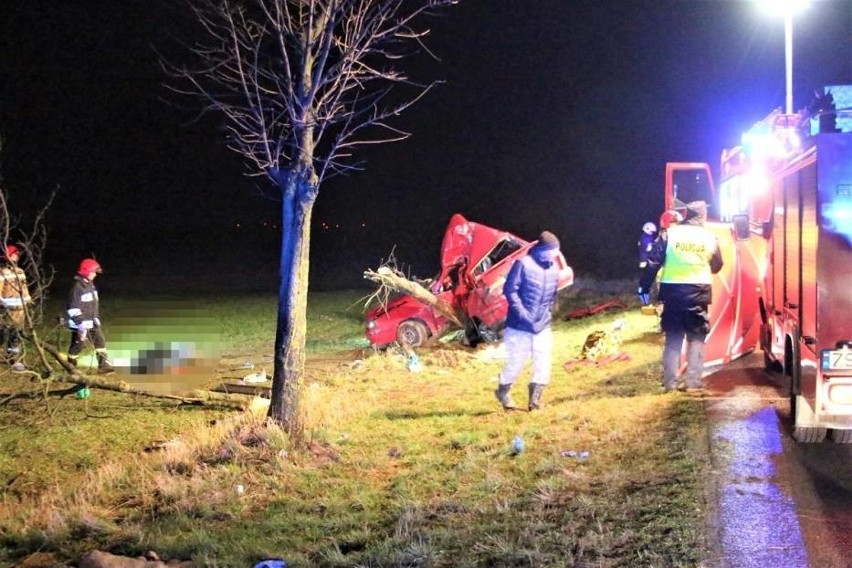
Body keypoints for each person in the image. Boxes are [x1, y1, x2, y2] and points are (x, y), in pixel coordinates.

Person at [649, 201, 723, 392]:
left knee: (673, 337)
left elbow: (653, 261)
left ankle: (670, 384)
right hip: (698, 292)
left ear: (687, 214)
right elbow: (717, 265)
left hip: (672, 292)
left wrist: (644, 287)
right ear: (703, 216)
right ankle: (693, 383)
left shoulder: (670, 234)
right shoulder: (710, 238)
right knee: (696, 338)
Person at [494, 231, 562, 411]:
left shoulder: (554, 268)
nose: (555, 254)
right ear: (542, 249)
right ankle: (503, 390)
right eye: (552, 250)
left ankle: (535, 400)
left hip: (542, 325)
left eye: (557, 250)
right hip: (519, 326)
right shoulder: (523, 264)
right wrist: (524, 316)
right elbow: (510, 291)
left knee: (543, 361)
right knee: (516, 362)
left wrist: (547, 313)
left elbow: (553, 294)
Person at [66, 258, 114, 374]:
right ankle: (70, 366)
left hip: (92, 322)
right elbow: (72, 308)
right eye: (93, 272)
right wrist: (80, 323)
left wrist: (96, 317)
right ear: (86, 271)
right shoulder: (77, 288)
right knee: (78, 345)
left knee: (100, 341)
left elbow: (94, 304)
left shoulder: (91, 286)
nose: (95, 275)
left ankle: (103, 366)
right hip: (80, 324)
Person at [1, 245, 32, 370]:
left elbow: (24, 289)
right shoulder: (2, 272)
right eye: (14, 254)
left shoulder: (20, 272)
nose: (16, 256)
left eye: (17, 254)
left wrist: (28, 300)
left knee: (17, 334)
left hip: (20, 310)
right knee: (2, 333)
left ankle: (14, 358)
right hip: (6, 310)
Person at [636, 221, 657, 305]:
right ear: (647, 229)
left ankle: (645, 297)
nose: (652, 233)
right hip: (647, 261)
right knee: (646, 279)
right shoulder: (645, 238)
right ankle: (643, 299)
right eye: (651, 231)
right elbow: (644, 251)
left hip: (648, 261)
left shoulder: (646, 237)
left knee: (646, 279)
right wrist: (643, 261)